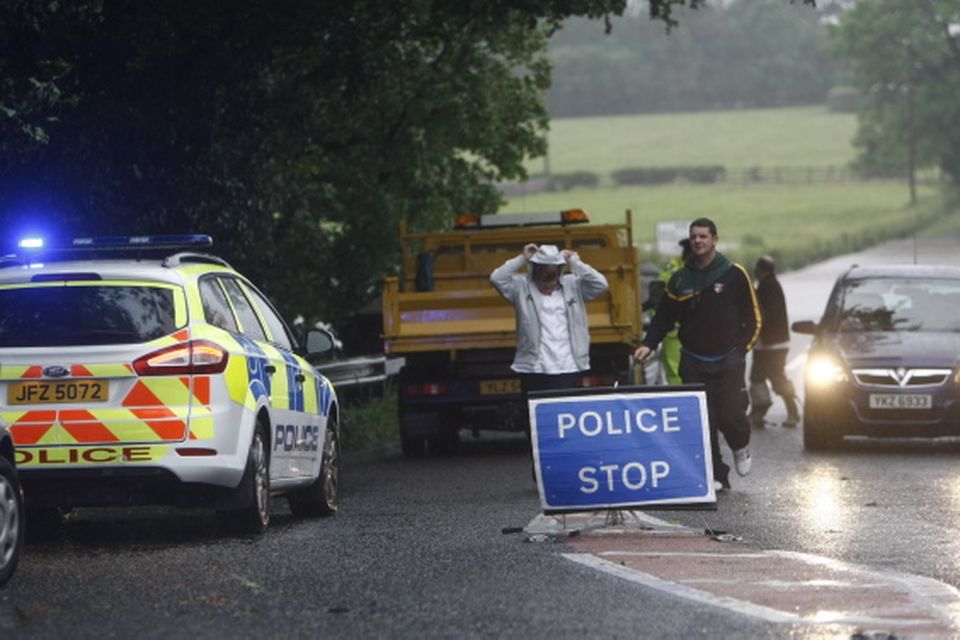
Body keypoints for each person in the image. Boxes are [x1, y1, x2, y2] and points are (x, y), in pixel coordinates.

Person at [633, 218, 761, 491]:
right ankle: (716, 475)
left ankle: (740, 445)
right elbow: (664, 317)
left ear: (714, 239)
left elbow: (754, 318)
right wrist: (649, 343)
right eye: (694, 237)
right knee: (704, 420)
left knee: (730, 416)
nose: (698, 241)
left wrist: (740, 351)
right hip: (693, 360)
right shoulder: (680, 279)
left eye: (703, 236)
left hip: (728, 359)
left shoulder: (734, 273)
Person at [490, 243, 609, 429]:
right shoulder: (521, 287)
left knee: (565, 420)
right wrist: (522, 258)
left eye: (552, 281)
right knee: (535, 422)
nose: (547, 286)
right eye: (543, 282)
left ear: (560, 273)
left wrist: (575, 262)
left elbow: (600, 284)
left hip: (567, 366)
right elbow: (497, 278)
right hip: (533, 367)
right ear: (534, 272)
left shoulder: (573, 285)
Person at [749, 256, 801, 428]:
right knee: (757, 377)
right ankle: (758, 411)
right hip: (766, 344)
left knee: (776, 378)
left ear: (761, 270)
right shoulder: (768, 285)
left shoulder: (768, 287)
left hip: (773, 345)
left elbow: (766, 315)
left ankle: (792, 411)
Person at [644, 238, 692, 385]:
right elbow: (659, 303)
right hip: (675, 333)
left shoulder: (673, 269)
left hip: (688, 332)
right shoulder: (673, 272)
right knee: (677, 374)